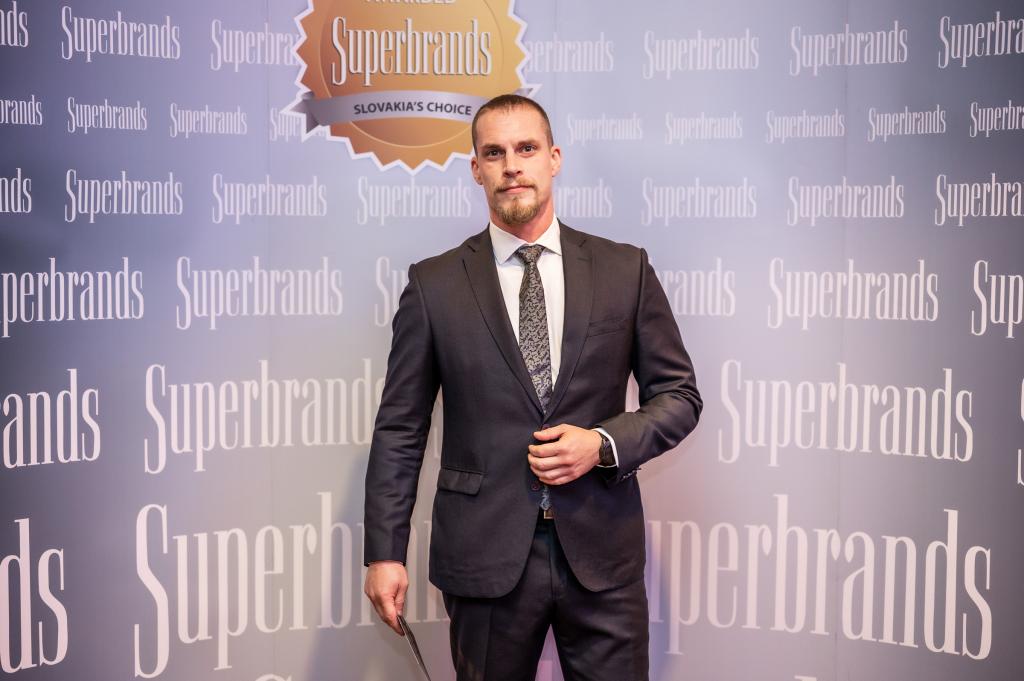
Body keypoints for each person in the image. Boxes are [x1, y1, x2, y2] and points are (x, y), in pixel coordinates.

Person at [363, 94, 702, 681]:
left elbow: (679, 397)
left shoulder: (625, 270)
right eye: (494, 153)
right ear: (476, 169)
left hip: (602, 555)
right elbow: (400, 428)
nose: (512, 166)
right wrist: (385, 553)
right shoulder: (434, 285)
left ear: (554, 158)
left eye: (526, 149)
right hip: (483, 557)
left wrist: (600, 444)